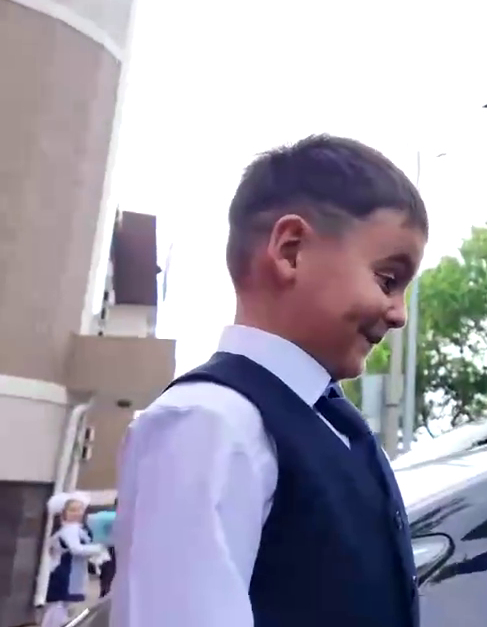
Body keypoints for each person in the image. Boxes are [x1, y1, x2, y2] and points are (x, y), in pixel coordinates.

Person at [110, 135, 427, 627]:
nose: (399, 314)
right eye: (387, 280)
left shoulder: (331, 427)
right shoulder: (208, 423)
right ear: (291, 250)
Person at [44, 492, 108, 627]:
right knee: (59, 607)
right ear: (63, 512)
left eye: (80, 509)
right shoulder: (69, 530)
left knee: (63, 606)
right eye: (72, 510)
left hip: (73, 572)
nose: (77, 513)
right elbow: (76, 549)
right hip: (64, 572)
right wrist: (99, 548)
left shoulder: (77, 529)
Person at [86, 501, 118, 597]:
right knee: (110, 571)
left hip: (103, 547)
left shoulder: (102, 516)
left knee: (107, 573)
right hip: (111, 547)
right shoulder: (112, 517)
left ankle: (105, 591)